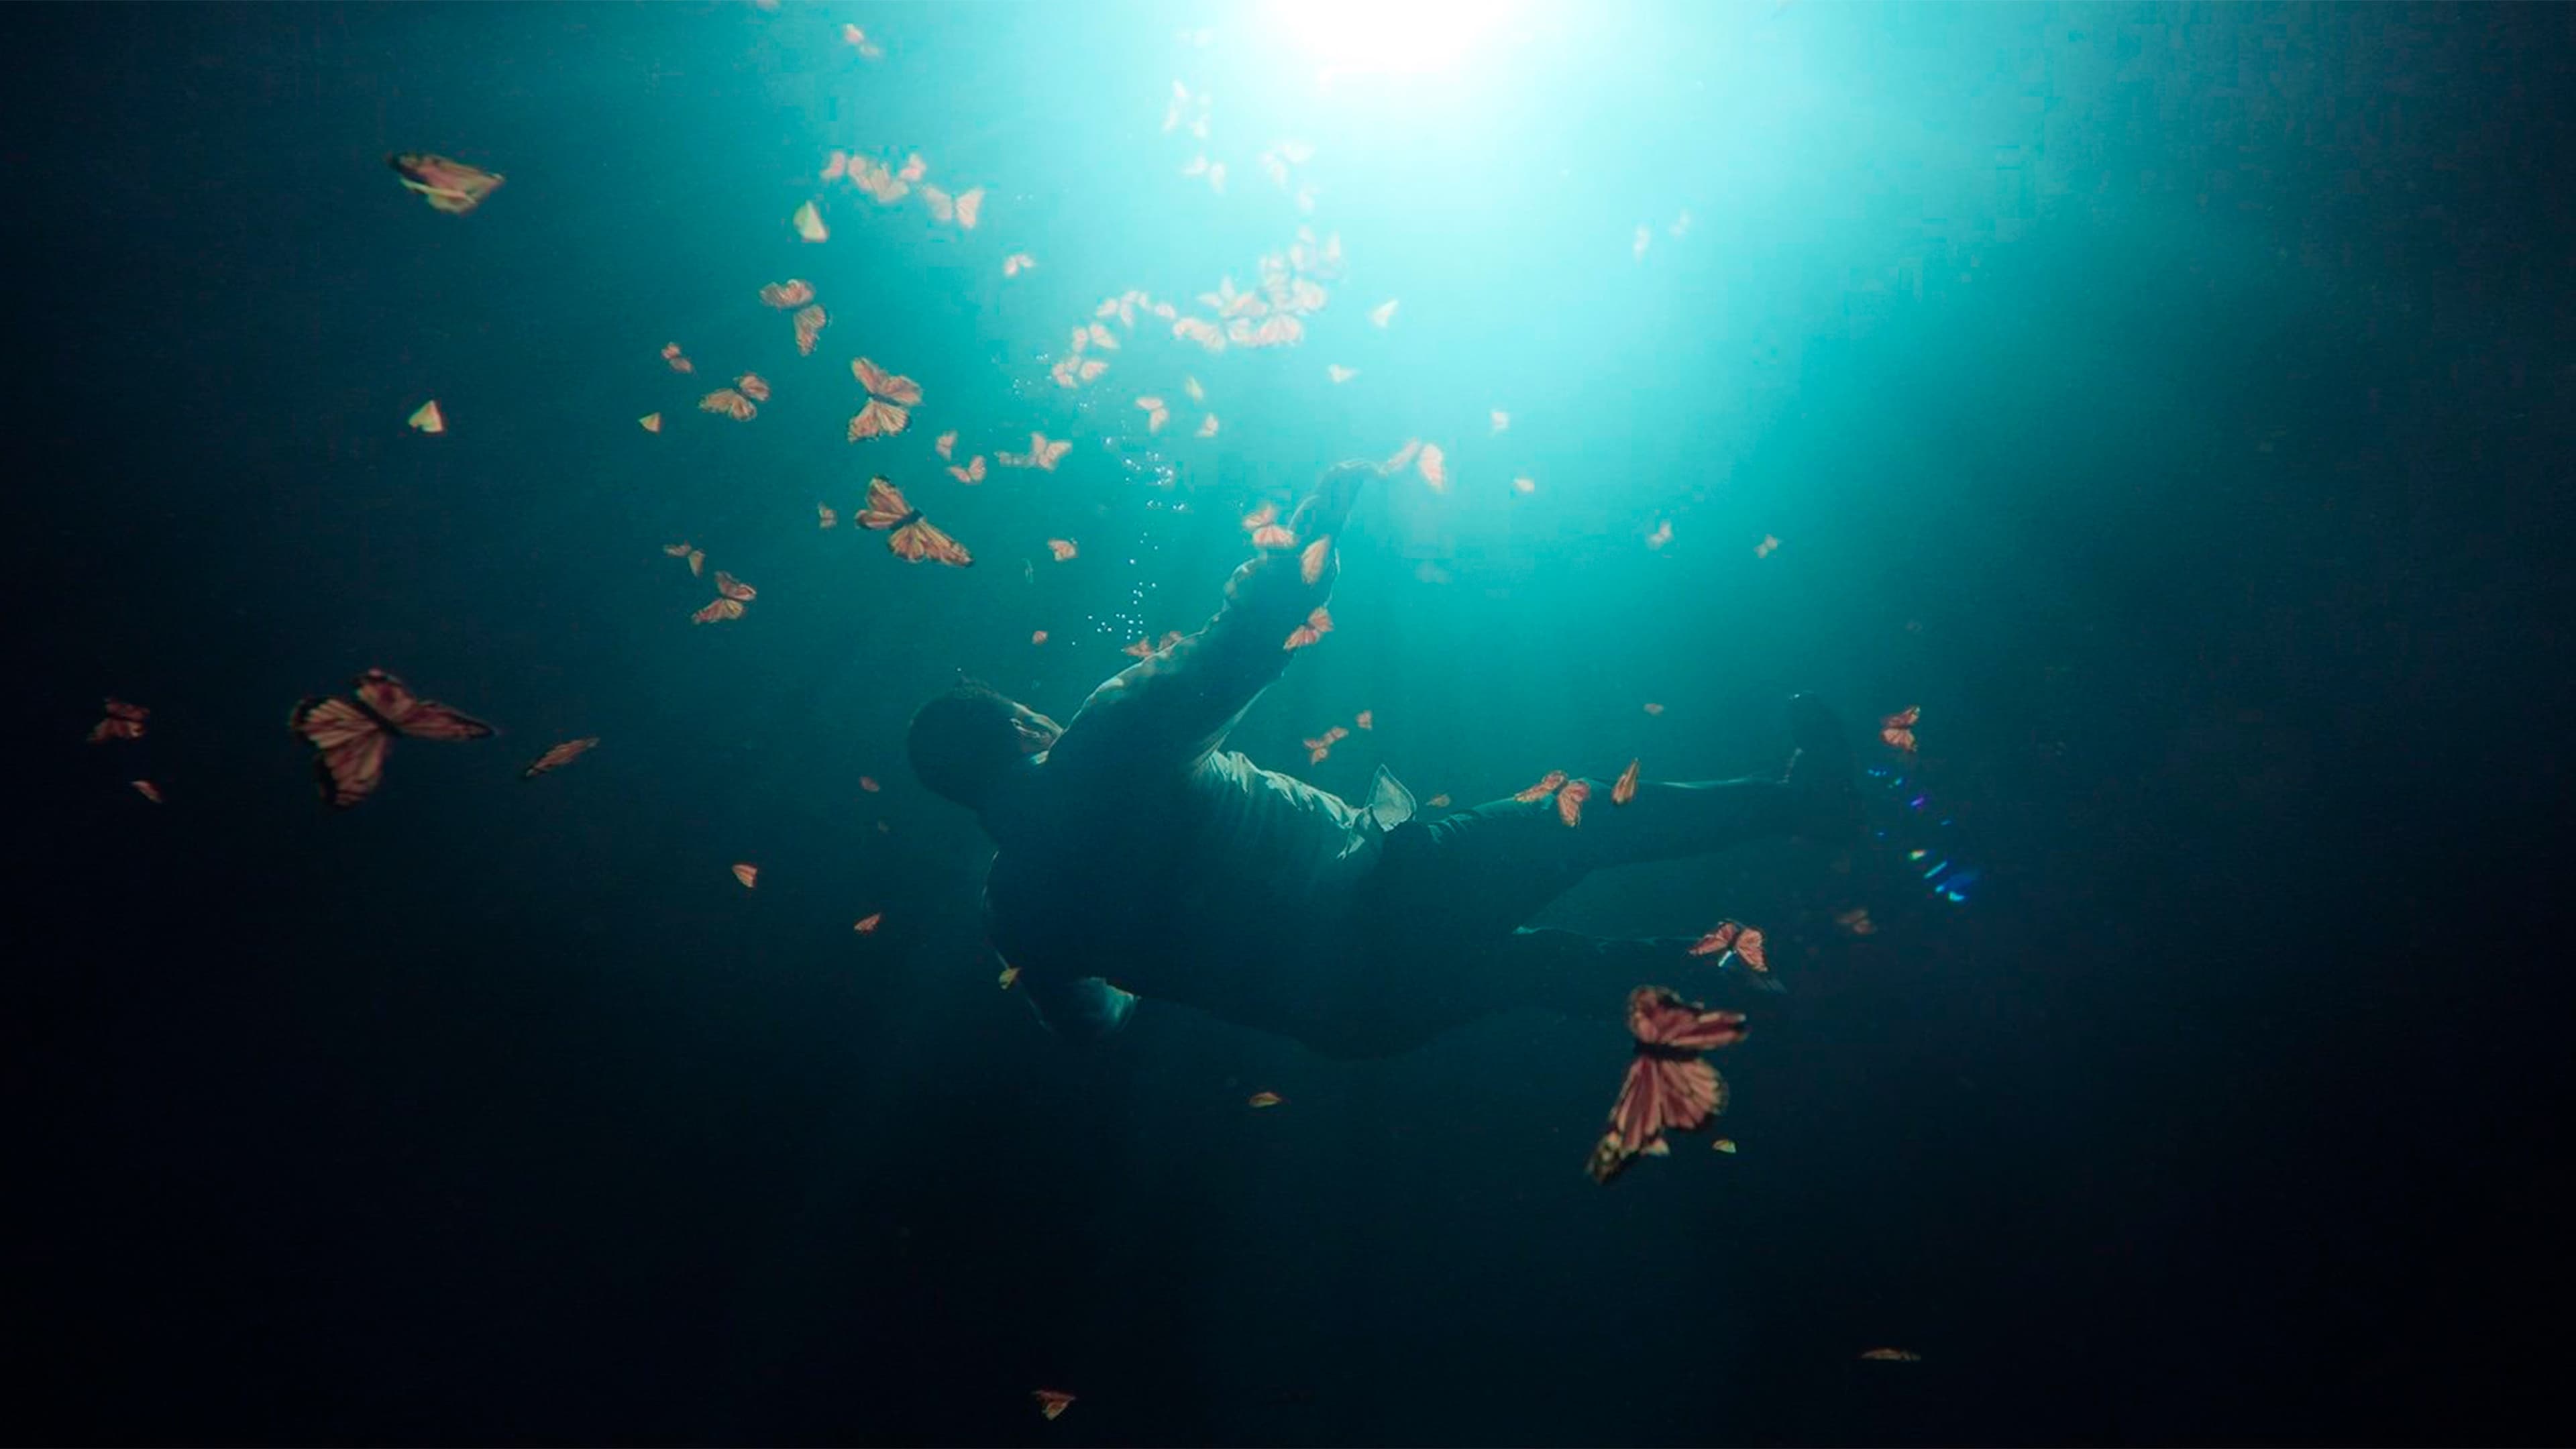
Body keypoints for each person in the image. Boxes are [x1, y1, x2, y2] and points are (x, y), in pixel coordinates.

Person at [906, 460, 1859, 1059]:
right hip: (1382, 893)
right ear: (1020, 727)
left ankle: (1749, 994)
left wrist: (1154, 946)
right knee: (1583, 817)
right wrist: (1316, 524)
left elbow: (1093, 1026)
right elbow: (1244, 644)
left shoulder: (1015, 918)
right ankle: (1803, 805)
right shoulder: (1104, 742)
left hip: (1349, 1017)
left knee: (1549, 971)